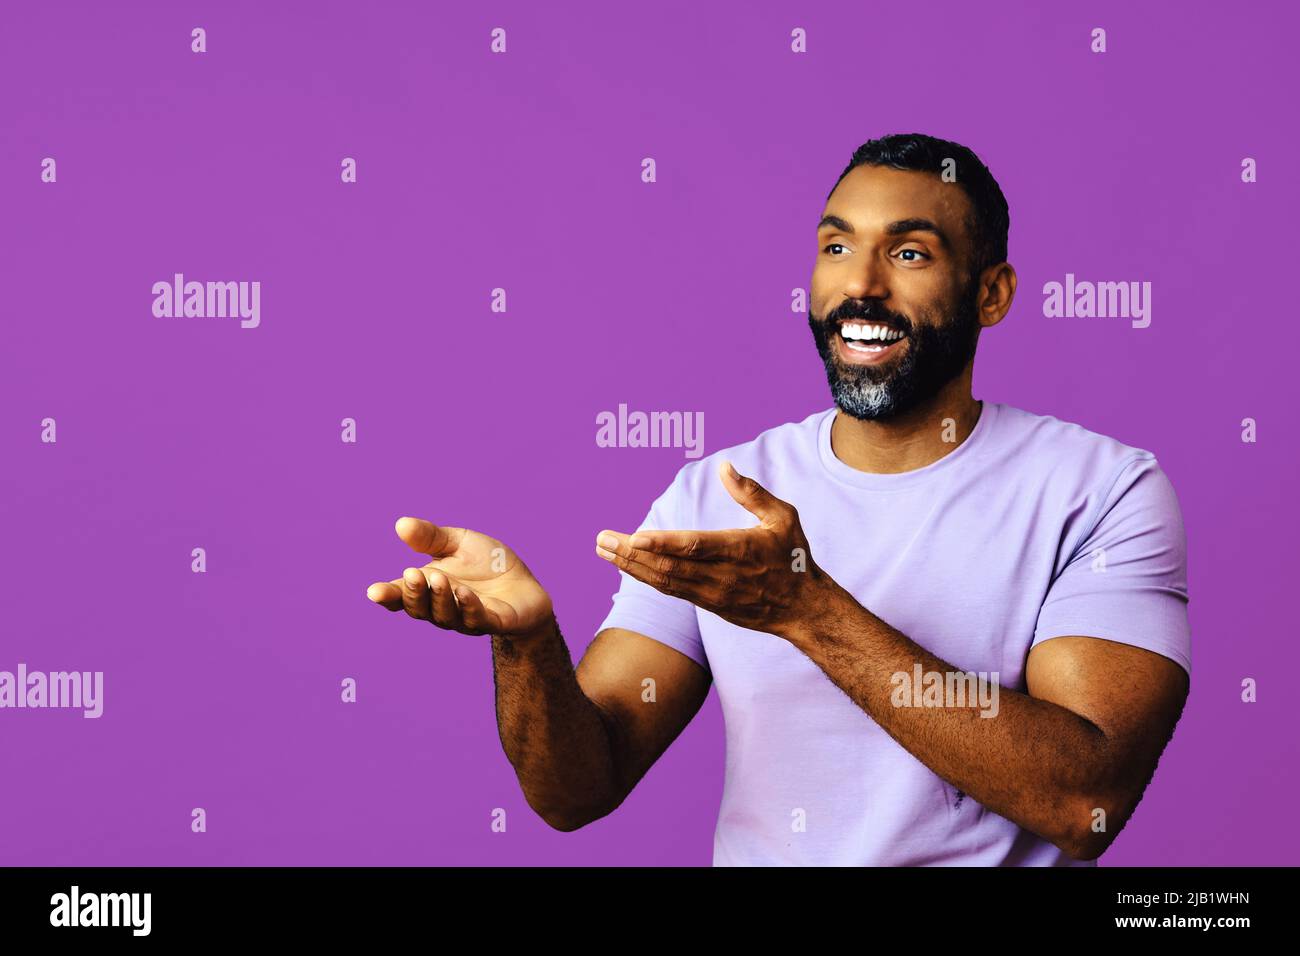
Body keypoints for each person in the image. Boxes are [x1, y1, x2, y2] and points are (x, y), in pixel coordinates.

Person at [366, 132, 1191, 866]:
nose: (860, 285)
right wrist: (528, 646)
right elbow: (578, 790)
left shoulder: (1100, 491)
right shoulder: (716, 493)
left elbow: (1083, 803)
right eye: (836, 247)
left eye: (909, 254)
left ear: (991, 294)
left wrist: (806, 610)